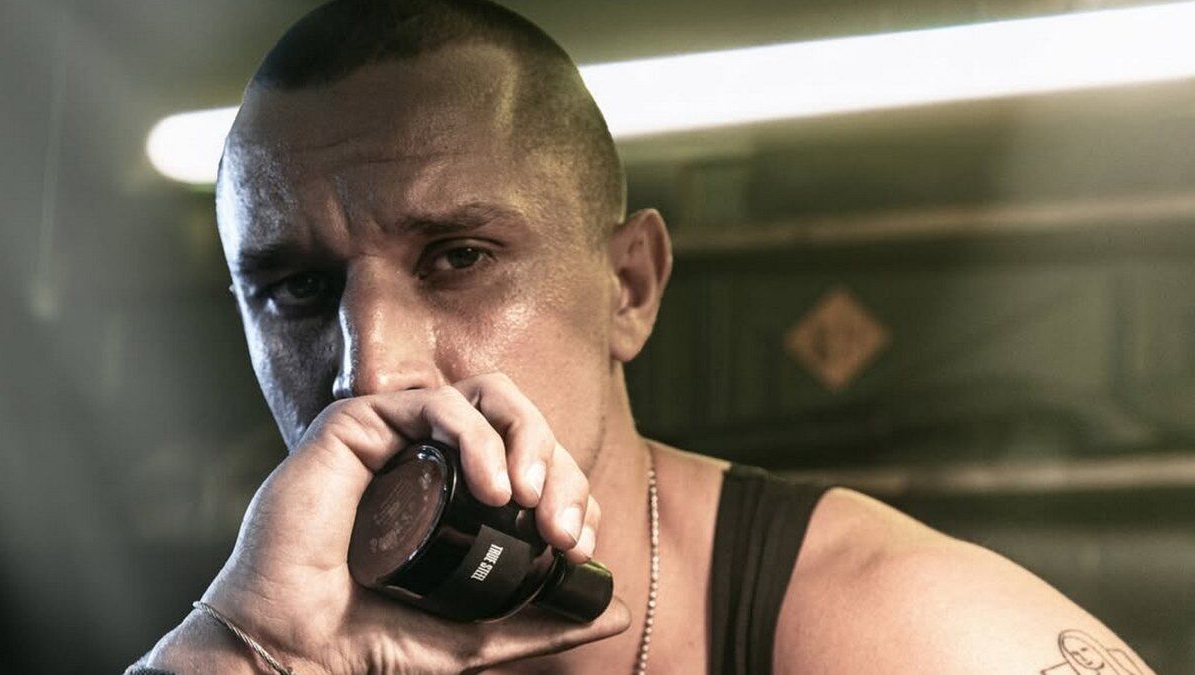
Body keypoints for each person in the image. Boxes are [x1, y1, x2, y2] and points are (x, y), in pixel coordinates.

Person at [134, 0, 1155, 673]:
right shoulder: (265, 634)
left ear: (630, 287)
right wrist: (241, 654)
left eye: (458, 258)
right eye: (299, 289)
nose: (373, 370)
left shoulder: (906, 632)